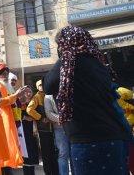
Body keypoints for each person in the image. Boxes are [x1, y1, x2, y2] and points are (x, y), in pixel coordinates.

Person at [44, 25, 132, 175]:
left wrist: (66, 55)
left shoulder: (68, 63)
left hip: (88, 140)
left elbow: (48, 85)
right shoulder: (99, 64)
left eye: (61, 44)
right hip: (115, 137)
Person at [0, 63, 28, 174]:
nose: (6, 75)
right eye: (3, 73)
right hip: (1, 121)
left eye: (7, 73)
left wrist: (20, 98)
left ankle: (8, 168)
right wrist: (15, 96)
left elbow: (13, 102)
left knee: (10, 147)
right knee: (4, 149)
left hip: (10, 120)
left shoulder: (7, 86)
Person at [27, 80, 59, 175]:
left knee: (53, 153)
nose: (42, 86)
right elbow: (29, 109)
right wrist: (40, 118)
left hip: (53, 128)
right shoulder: (37, 97)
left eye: (43, 85)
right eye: (40, 85)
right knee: (46, 154)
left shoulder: (48, 94)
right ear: (37, 87)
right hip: (43, 129)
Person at [44, 94, 71, 175]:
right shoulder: (48, 96)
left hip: (73, 127)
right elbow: (49, 113)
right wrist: (64, 119)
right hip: (59, 128)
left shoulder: (68, 90)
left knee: (74, 152)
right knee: (63, 153)